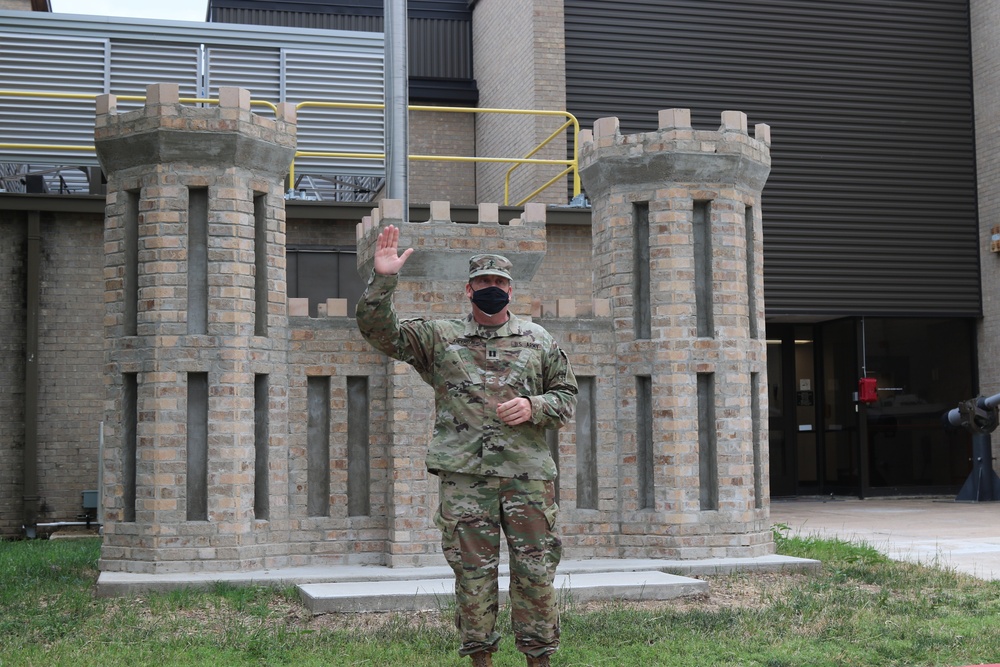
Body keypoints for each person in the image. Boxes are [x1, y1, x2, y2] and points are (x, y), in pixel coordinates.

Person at [356, 224, 578, 667]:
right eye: (483, 283)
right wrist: (384, 279)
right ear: (468, 289)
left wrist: (534, 406)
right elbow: (382, 334)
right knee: (473, 577)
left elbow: (566, 398)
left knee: (535, 573)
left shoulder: (539, 340)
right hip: (466, 481)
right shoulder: (438, 338)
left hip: (527, 480)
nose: (490, 289)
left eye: (498, 283)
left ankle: (539, 660)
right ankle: (481, 660)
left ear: (511, 290)